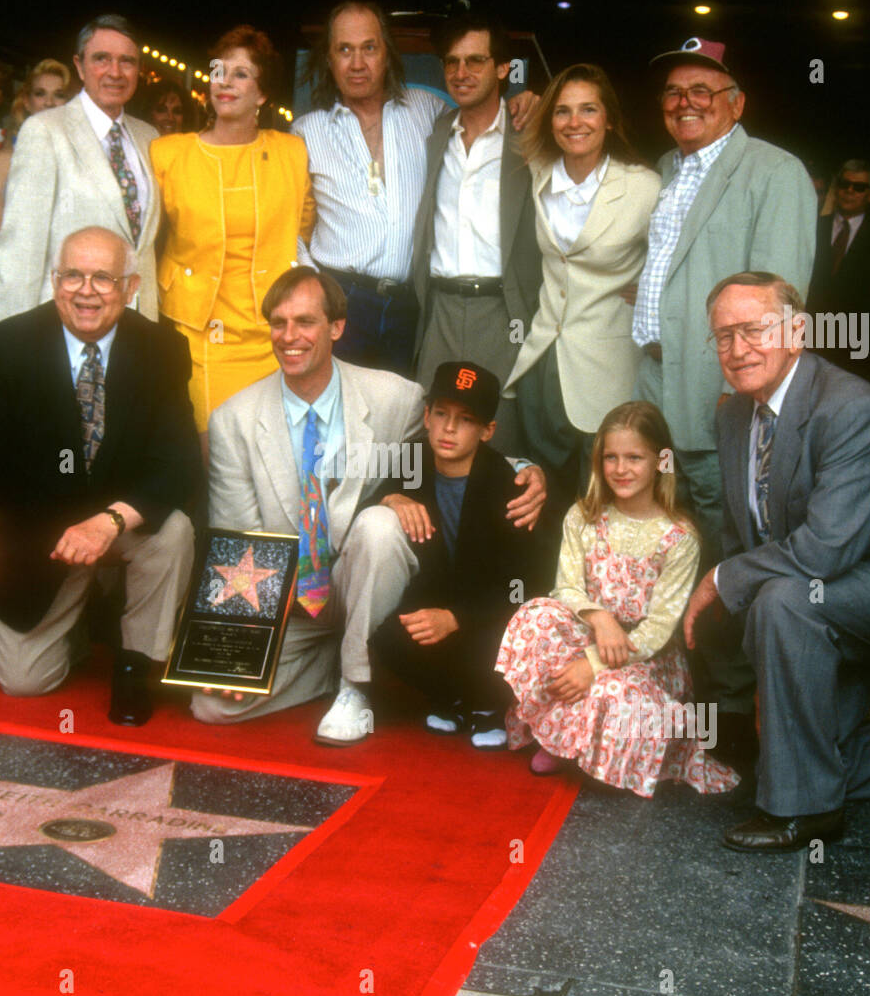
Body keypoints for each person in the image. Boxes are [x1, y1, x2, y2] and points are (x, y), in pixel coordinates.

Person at [192, 266, 546, 742]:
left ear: (337, 327)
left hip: (367, 585)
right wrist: (235, 649)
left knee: (380, 524)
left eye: (305, 322)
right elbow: (241, 548)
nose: (289, 337)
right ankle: (349, 661)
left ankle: (356, 687)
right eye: (279, 323)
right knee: (211, 706)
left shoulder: (395, 398)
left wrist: (524, 469)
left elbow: (457, 438)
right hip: (289, 600)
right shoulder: (233, 420)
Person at [0, 226, 201, 725]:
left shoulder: (162, 348)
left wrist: (109, 521)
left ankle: (135, 665)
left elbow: (179, 461)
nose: (86, 291)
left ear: (130, 287)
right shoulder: (5, 343)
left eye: (103, 278)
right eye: (72, 276)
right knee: (24, 684)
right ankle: (86, 619)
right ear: (54, 280)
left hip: (117, 523)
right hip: (38, 534)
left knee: (173, 531)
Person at [684, 272, 870, 852]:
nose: (738, 349)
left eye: (754, 330)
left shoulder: (849, 406)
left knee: (781, 598)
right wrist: (765, 672)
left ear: (797, 332)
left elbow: (826, 549)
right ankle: (807, 772)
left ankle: (805, 810)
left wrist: (722, 579)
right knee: (813, 751)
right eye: (723, 336)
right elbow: (740, 537)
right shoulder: (733, 416)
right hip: (814, 606)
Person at [631, 37, 816, 554]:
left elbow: (780, 300)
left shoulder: (775, 171)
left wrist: (740, 386)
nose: (684, 102)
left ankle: (727, 608)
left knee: (723, 520)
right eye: (673, 92)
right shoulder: (666, 168)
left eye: (701, 90)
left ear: (737, 103)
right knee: (664, 517)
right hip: (652, 375)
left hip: (720, 382)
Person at [498, 401, 738, 798]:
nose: (621, 469)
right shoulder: (583, 516)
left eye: (634, 458)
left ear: (661, 461)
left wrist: (592, 666)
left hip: (643, 658)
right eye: (611, 457)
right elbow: (566, 588)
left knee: (613, 692)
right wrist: (600, 618)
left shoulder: (680, 537)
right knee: (535, 616)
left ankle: (595, 746)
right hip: (590, 632)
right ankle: (559, 735)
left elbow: (658, 629)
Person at [293, 0, 538, 374]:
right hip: (340, 301)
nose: (357, 63)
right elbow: (288, 226)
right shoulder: (305, 132)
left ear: (387, 53)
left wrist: (526, 101)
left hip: (413, 307)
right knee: (341, 407)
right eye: (344, 50)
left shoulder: (428, 111)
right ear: (328, 59)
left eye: (369, 48)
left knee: (408, 407)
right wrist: (315, 289)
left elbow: (480, 115)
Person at [503, 62, 661, 538]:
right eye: (563, 111)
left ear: (609, 119)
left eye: (589, 110)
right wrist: (521, 95)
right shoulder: (538, 171)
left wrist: (653, 291)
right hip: (542, 361)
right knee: (540, 501)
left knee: (600, 507)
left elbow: (677, 259)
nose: (575, 122)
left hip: (608, 369)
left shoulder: (644, 186)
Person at [150, 26, 313, 438]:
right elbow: (145, 237)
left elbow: (304, 225)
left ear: (262, 93)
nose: (224, 82)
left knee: (273, 448)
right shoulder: (169, 153)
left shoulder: (291, 152)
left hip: (275, 329)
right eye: (218, 71)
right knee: (213, 448)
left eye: (241, 74)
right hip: (200, 332)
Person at [370, 361, 537, 747]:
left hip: (488, 613)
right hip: (435, 600)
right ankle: (453, 696)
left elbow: (522, 585)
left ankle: (490, 703)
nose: (449, 428)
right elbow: (367, 506)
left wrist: (457, 618)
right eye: (442, 414)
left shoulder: (505, 484)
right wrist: (392, 498)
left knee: (503, 633)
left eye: (465, 419)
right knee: (389, 637)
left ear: (487, 430)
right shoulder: (414, 459)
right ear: (426, 416)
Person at [409, 14, 541, 450]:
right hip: (441, 309)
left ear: (503, 68)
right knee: (433, 435)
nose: (461, 72)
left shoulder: (530, 133)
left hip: (504, 313)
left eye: (475, 61)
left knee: (497, 435)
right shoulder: (438, 131)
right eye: (452, 62)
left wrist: (536, 101)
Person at [0, 14, 162, 322]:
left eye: (126, 61)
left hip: (137, 324)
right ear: (80, 66)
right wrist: (16, 337)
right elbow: (20, 252)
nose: (115, 72)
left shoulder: (149, 137)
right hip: (66, 321)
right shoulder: (45, 131)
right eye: (101, 59)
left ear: (139, 69)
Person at [807, 159, 870, 398]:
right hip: (811, 340)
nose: (850, 191)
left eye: (859, 187)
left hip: (860, 348)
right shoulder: (812, 228)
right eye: (844, 184)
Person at [0, 58, 72, 245]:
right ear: (26, 101)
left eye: (59, 95)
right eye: (40, 94)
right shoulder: (4, 161)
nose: (49, 103)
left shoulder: (77, 161)